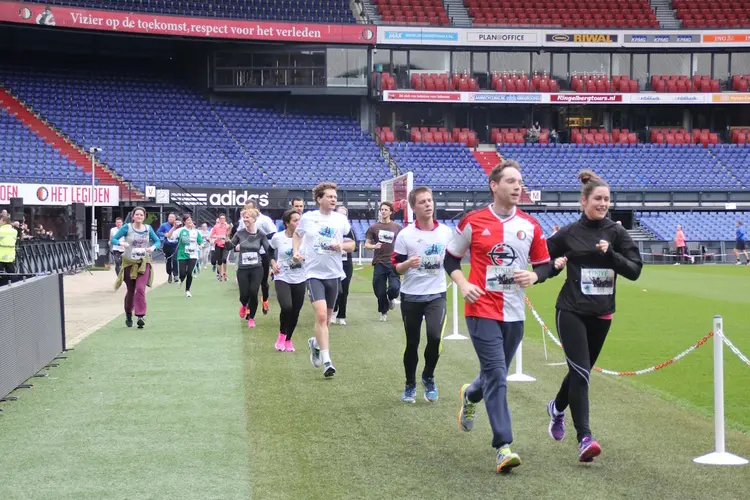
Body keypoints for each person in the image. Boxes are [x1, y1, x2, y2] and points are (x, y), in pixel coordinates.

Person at [444, 160, 558, 473]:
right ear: (494, 186)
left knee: (494, 374)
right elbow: (450, 260)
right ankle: (503, 446)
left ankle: (470, 394)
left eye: (520, 181)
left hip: (514, 314)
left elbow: (545, 265)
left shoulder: (530, 225)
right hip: (480, 309)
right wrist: (464, 284)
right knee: (497, 375)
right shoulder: (474, 220)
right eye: (510, 181)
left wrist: (536, 277)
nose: (517, 186)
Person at [544, 170, 642, 463]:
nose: (603, 204)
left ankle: (557, 407)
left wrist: (610, 254)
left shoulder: (617, 232)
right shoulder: (569, 233)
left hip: (602, 314)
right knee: (582, 373)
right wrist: (555, 263)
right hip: (571, 310)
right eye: (598, 198)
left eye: (607, 199)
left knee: (579, 371)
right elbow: (542, 257)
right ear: (584, 200)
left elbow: (635, 271)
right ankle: (585, 437)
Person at [392, 187, 453, 403]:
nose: (428, 204)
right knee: (412, 342)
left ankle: (428, 376)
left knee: (435, 338)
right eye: (422, 202)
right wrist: (408, 263)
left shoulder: (446, 232)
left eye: (430, 200)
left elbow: (454, 259)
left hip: (436, 294)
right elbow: (396, 267)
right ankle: (410, 384)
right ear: (413, 207)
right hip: (411, 296)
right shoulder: (405, 235)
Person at [293, 182, 355, 378]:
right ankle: (328, 361)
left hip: (334, 274)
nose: (333, 199)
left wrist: (342, 246)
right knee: (320, 316)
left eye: (335, 197)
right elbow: (296, 234)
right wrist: (296, 251)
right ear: (319, 199)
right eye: (329, 196)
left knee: (327, 320)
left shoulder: (341, 220)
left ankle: (315, 344)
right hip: (313, 274)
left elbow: (352, 243)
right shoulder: (308, 218)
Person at [111, 207, 161, 329]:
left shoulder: (148, 229)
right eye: (137, 215)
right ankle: (128, 312)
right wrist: (121, 243)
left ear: (144, 217)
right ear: (133, 216)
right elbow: (113, 239)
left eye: (141, 215)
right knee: (131, 290)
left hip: (143, 263)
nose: (139, 217)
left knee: (140, 288)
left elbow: (157, 241)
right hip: (129, 262)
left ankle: (140, 315)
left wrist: (152, 248)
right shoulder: (126, 228)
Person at [270, 210, 306, 351]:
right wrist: (273, 264)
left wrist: (302, 258)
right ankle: (282, 334)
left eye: (299, 220)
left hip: (300, 277)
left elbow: (312, 254)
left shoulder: (306, 238)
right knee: (287, 307)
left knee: (296, 311)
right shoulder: (278, 237)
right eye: (295, 220)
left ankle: (288, 339)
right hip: (282, 276)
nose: (298, 223)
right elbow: (269, 251)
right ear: (287, 223)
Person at [231, 209, 271, 327]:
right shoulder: (240, 233)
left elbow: (268, 250)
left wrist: (273, 261)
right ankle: (244, 305)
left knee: (253, 292)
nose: (245, 219)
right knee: (244, 294)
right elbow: (230, 246)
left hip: (256, 268)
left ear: (254, 219)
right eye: (244, 217)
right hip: (243, 268)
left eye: (247, 217)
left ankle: (251, 318)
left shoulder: (260, 234)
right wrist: (228, 239)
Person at [365, 202, 402, 321]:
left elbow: (402, 243)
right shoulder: (373, 228)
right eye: (381, 209)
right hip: (379, 262)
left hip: (393, 262)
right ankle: (383, 312)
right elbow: (367, 244)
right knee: (379, 291)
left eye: (386, 209)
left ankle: (391, 298)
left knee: (395, 288)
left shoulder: (397, 227)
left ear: (391, 212)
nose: (383, 211)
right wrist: (374, 246)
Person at [240, 200, 277, 314]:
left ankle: (265, 300)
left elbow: (273, 233)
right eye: (245, 208)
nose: (247, 211)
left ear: (256, 208)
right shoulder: (243, 220)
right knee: (251, 284)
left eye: (249, 208)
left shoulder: (264, 219)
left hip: (263, 253)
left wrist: (259, 237)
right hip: (249, 254)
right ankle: (250, 307)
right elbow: (239, 234)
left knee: (263, 282)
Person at [166, 214, 204, 297]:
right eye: (187, 220)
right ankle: (181, 279)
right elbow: (169, 236)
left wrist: (201, 245)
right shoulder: (180, 231)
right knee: (182, 273)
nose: (189, 221)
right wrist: (173, 227)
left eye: (190, 219)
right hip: (182, 255)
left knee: (189, 272)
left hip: (193, 255)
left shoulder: (196, 232)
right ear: (184, 222)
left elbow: (201, 241)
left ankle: (187, 290)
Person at [332, 206, 354, 326]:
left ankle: (342, 315)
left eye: (344, 214)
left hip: (346, 263)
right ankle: (333, 311)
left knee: (344, 290)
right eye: (339, 214)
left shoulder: (349, 230)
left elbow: (353, 247)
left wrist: (343, 246)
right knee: (335, 289)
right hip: (333, 263)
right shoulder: (331, 229)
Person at [157, 213, 180, 284]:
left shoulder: (178, 225)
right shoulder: (164, 225)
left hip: (175, 245)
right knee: (168, 261)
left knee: (175, 260)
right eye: (169, 217)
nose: (171, 218)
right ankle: (169, 274)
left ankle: (176, 275)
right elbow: (158, 232)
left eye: (172, 217)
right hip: (167, 245)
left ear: (175, 218)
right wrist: (164, 234)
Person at [210, 213, 231, 281]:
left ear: (225, 219)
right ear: (219, 219)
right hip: (218, 244)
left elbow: (230, 235)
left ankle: (225, 273)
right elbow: (211, 236)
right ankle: (220, 274)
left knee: (224, 259)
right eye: (221, 218)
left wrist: (226, 237)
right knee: (219, 261)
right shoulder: (216, 227)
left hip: (225, 244)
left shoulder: (227, 226)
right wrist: (217, 237)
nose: (222, 220)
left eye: (224, 218)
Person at [0, 214, 18, 286]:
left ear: (4, 221)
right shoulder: (14, 231)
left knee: (1, 276)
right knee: (11, 275)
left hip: (0, 257)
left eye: (0, 220)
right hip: (10, 257)